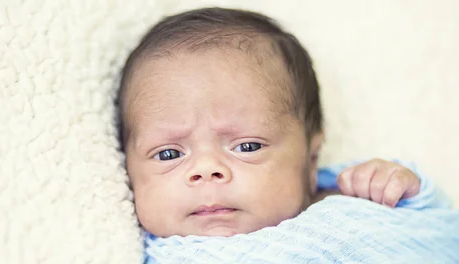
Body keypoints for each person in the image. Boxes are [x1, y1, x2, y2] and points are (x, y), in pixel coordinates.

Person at [117, 7, 422, 238]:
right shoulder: (135, 263)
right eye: (168, 154)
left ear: (311, 160)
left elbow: (433, 237)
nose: (206, 170)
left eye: (247, 146)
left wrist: (391, 191)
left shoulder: (338, 208)